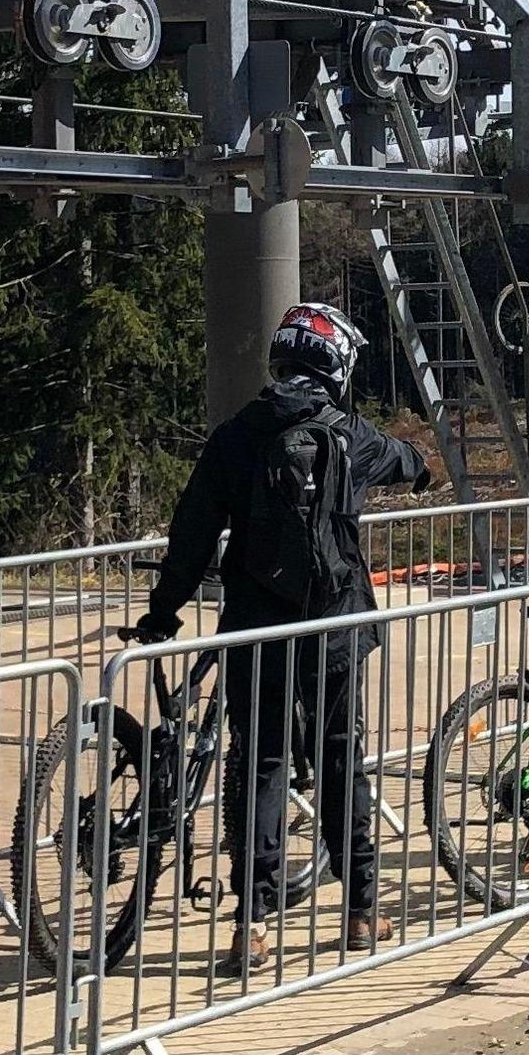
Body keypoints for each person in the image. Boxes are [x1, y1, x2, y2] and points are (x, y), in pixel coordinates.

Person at [134, 303, 430, 976]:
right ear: (338, 367)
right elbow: (407, 461)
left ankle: (252, 925)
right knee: (340, 757)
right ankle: (361, 909)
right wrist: (420, 469)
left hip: (255, 623)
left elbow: (192, 532)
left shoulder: (237, 434)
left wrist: (163, 612)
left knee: (261, 764)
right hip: (335, 624)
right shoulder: (350, 434)